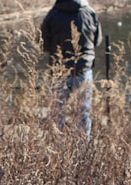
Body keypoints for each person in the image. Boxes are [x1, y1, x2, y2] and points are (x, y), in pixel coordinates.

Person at [40, 0, 103, 137]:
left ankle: (58, 149)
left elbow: (43, 42)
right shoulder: (90, 12)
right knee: (83, 112)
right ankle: (82, 150)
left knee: (57, 112)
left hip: (59, 70)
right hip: (83, 70)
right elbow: (97, 41)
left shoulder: (53, 14)